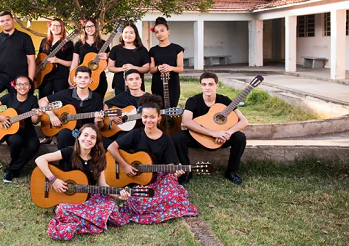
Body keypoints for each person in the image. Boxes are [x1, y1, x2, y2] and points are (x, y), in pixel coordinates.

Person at [107, 94, 198, 224]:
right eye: (145, 117)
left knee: (172, 194)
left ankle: (160, 203)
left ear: (159, 118)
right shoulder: (136, 134)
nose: (148, 120)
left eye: (152, 117)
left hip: (160, 177)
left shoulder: (166, 139)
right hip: (139, 179)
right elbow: (111, 147)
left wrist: (175, 171)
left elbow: (171, 164)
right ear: (141, 117)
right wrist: (125, 165)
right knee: (140, 201)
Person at [35, 124, 130, 241]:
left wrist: (118, 194)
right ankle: (91, 219)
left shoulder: (99, 158)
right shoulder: (69, 152)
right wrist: (53, 180)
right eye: (85, 135)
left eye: (92, 137)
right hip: (67, 198)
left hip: (88, 196)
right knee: (63, 208)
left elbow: (103, 185)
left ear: (96, 142)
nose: (88, 139)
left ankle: (79, 219)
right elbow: (39, 159)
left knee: (111, 204)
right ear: (78, 137)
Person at [173, 72, 248, 185]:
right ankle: (187, 171)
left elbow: (244, 121)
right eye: (204, 84)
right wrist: (213, 133)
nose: (207, 87)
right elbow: (186, 121)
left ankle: (231, 171)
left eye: (210, 84)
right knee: (177, 138)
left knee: (240, 137)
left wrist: (227, 133)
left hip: (222, 138)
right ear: (201, 86)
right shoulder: (193, 101)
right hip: (199, 138)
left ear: (217, 85)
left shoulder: (225, 101)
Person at [0, 75, 43, 182]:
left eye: (25, 84)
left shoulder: (33, 99)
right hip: (10, 130)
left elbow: (34, 121)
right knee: (16, 140)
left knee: (34, 145)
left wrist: (38, 115)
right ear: (15, 86)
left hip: (28, 129)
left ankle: (12, 169)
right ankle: (15, 169)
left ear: (30, 87)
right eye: (19, 84)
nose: (22, 87)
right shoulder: (8, 97)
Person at [38, 66, 104, 149]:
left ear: (90, 80)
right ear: (74, 79)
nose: (82, 80)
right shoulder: (66, 94)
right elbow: (42, 101)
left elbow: (99, 126)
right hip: (69, 131)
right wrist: (51, 115)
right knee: (64, 134)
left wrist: (99, 121)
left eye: (86, 78)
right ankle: (64, 160)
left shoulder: (97, 97)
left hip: (87, 133)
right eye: (80, 77)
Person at [69, 18, 109, 99]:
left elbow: (110, 62)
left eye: (91, 26)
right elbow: (74, 62)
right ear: (84, 28)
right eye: (87, 27)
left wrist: (107, 57)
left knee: (98, 104)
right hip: (82, 79)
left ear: (96, 27)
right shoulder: (79, 44)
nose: (89, 29)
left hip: (99, 79)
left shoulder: (104, 44)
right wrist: (70, 76)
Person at [149, 17, 184, 107]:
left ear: (168, 31)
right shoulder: (153, 50)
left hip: (173, 83)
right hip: (157, 82)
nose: (159, 34)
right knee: (158, 108)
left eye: (162, 31)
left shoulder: (177, 49)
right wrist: (158, 67)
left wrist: (170, 68)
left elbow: (180, 68)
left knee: (172, 108)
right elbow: (151, 70)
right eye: (156, 32)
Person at [103, 69, 147, 140]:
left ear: (141, 81)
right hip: (124, 132)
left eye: (137, 79)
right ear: (126, 82)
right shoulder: (122, 96)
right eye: (131, 79)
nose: (134, 82)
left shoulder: (149, 98)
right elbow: (106, 104)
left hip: (143, 131)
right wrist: (111, 116)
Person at [107, 24, 150, 96]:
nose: (128, 35)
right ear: (122, 34)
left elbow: (146, 68)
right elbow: (110, 67)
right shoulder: (115, 49)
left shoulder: (142, 50)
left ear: (136, 34)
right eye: (125, 32)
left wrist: (134, 67)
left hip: (137, 85)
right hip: (119, 84)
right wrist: (122, 69)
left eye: (131, 32)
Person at [37, 18, 73, 98]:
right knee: (43, 99)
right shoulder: (44, 41)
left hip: (60, 77)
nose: (55, 28)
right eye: (53, 25)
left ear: (62, 28)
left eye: (58, 26)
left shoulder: (68, 43)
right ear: (50, 27)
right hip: (45, 77)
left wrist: (58, 60)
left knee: (60, 100)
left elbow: (71, 63)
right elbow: (39, 58)